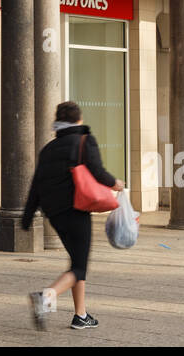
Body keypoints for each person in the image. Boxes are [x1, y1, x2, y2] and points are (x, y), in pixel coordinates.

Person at [22, 100, 123, 330]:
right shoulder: (84, 140)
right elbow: (97, 171)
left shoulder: (47, 149)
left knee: (77, 261)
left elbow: (36, 184)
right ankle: (46, 296)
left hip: (55, 213)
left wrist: (27, 217)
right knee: (79, 266)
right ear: (79, 120)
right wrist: (115, 183)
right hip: (76, 209)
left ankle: (81, 315)